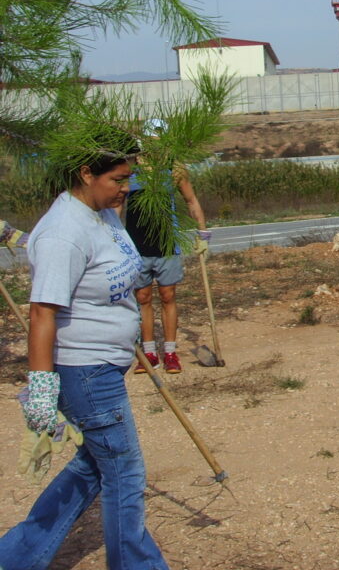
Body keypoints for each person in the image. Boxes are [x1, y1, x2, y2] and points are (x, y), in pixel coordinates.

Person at [0, 137, 170, 569]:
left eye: (129, 177)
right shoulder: (63, 233)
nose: (126, 188)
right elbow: (41, 314)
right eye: (118, 178)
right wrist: (41, 389)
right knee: (124, 473)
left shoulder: (102, 216)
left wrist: (123, 333)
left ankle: (15, 557)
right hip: (85, 372)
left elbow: (108, 288)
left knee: (94, 467)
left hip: (103, 364)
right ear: (85, 174)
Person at [127, 118, 211, 374]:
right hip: (137, 246)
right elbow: (115, 205)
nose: (157, 143)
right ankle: (149, 353)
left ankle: (170, 353)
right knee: (142, 297)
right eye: (153, 138)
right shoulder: (131, 170)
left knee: (167, 296)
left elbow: (191, 200)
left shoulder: (174, 169)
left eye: (161, 138)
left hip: (166, 245)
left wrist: (202, 234)